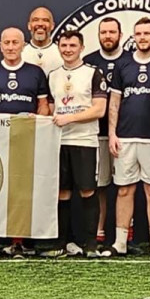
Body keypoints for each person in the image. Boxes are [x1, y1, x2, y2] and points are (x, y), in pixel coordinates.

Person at [0, 27, 51, 259]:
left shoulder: (35, 73)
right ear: (0, 45)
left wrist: (38, 122)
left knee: (20, 191)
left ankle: (17, 242)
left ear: (23, 45)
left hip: (24, 142)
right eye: (6, 42)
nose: (10, 47)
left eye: (15, 42)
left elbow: (44, 106)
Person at [101, 18, 150, 257]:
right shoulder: (123, 64)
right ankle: (120, 243)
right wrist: (112, 133)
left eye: (147, 33)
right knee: (124, 190)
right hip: (125, 137)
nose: (142, 37)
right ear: (133, 36)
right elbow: (114, 101)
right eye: (138, 33)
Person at [44, 30, 108, 258]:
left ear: (81, 47)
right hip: (59, 142)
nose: (68, 49)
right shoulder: (52, 75)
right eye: (64, 45)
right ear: (58, 47)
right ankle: (62, 243)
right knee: (62, 192)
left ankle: (91, 244)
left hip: (84, 141)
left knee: (87, 190)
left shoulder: (93, 73)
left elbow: (100, 109)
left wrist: (68, 118)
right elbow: (51, 109)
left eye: (72, 45)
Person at [83, 17, 129, 249]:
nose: (108, 36)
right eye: (104, 32)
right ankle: (99, 234)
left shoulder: (130, 59)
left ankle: (126, 236)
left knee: (126, 185)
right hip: (96, 132)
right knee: (100, 185)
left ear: (120, 34)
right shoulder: (89, 62)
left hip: (126, 133)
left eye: (112, 31)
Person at [21, 6, 61, 74]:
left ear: (52, 26)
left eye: (45, 20)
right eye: (35, 20)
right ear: (29, 25)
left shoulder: (61, 53)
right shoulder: (20, 53)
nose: (40, 24)